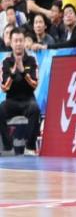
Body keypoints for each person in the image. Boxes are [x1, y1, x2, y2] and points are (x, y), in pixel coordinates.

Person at [0, 28, 40, 156]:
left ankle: (30, 147)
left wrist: (23, 72)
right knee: (0, 109)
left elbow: (34, 84)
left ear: (24, 42)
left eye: (21, 40)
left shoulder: (32, 60)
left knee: (35, 109)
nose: (18, 44)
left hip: (28, 100)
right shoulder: (6, 62)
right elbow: (4, 87)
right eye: (15, 41)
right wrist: (12, 74)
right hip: (12, 101)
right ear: (11, 43)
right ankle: (8, 147)